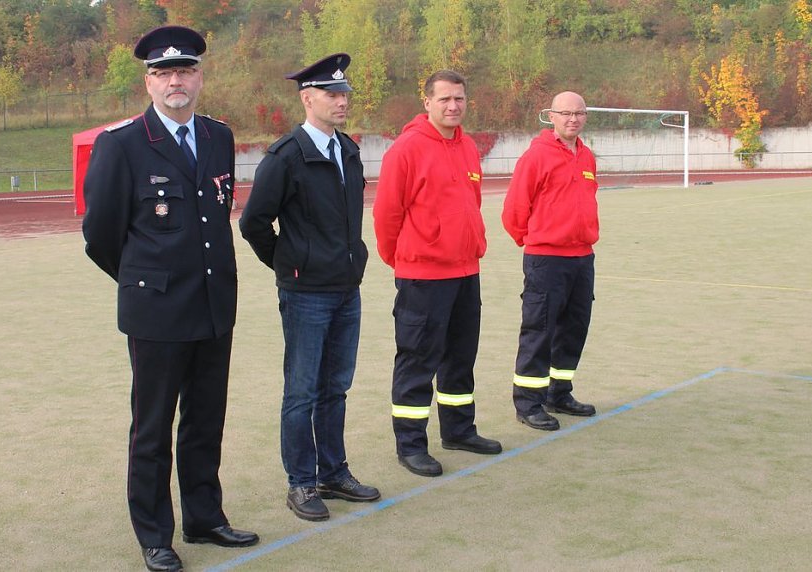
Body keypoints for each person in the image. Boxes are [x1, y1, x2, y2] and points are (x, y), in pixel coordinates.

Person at [82, 25, 258, 572]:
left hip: (213, 305)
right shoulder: (121, 144)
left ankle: (204, 517)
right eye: (163, 73)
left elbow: (217, 215)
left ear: (200, 78)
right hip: (157, 312)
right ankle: (155, 534)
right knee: (152, 428)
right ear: (148, 83)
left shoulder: (218, 136)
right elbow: (101, 236)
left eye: (184, 71)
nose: (175, 81)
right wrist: (145, 281)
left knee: (205, 421)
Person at [239, 53, 380, 522]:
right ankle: (301, 482)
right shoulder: (286, 156)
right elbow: (254, 223)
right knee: (301, 391)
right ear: (307, 98)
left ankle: (333, 472)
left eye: (344, 93)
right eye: (331, 94)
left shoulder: (348, 151)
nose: (342, 102)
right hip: (306, 294)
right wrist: (289, 264)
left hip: (346, 288)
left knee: (335, 387)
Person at [373, 70, 502, 479]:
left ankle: (459, 430)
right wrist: (405, 260)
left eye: (459, 98)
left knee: (460, 356)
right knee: (417, 359)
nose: (453, 106)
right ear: (427, 102)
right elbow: (386, 214)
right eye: (444, 99)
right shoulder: (406, 149)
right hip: (423, 275)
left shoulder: (467, 146)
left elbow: (471, 203)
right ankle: (411, 445)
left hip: (465, 270)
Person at [501, 91, 599, 433]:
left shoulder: (586, 156)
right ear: (551, 116)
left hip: (582, 257)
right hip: (546, 259)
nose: (573, 119)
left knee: (573, 329)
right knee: (539, 330)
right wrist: (534, 240)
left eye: (579, 113)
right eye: (566, 113)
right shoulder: (536, 156)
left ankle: (559, 392)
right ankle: (529, 402)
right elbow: (515, 209)